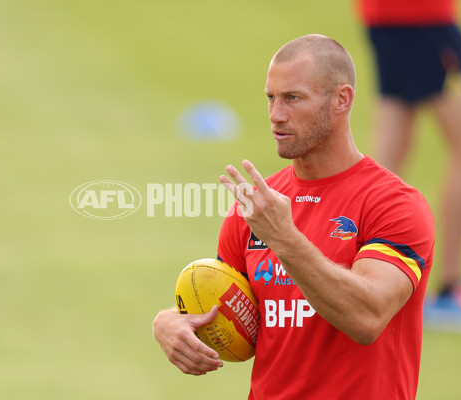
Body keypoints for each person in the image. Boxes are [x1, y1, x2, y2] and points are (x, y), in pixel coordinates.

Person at [153, 34, 435, 399]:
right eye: (271, 98)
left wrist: (286, 239)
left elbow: (367, 318)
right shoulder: (257, 205)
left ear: (341, 100)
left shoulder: (392, 204)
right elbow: (230, 313)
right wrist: (170, 324)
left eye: (293, 98)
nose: (276, 115)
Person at [357, 0, 461, 326]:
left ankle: (360, 280)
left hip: (389, 17)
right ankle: (448, 289)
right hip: (418, 16)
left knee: (391, 147)